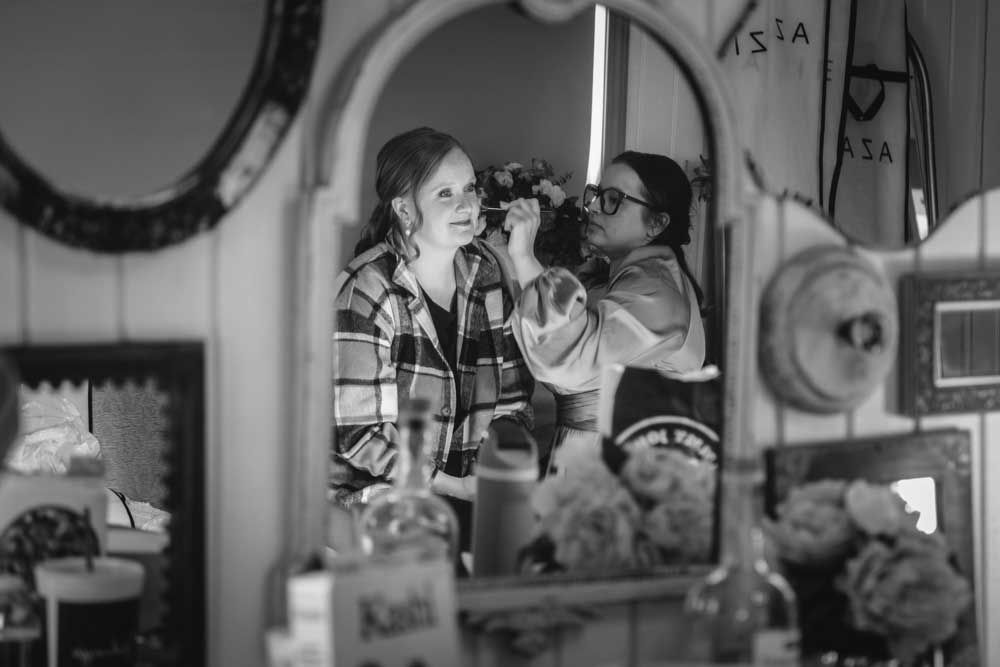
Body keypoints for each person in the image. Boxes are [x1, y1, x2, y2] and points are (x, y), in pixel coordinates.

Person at [331, 127, 535, 542]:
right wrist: (454, 486)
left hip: (465, 492)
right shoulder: (366, 289)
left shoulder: (487, 274)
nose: (467, 205)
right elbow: (361, 436)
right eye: (445, 193)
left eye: (470, 188)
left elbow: (512, 401)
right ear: (404, 211)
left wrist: (498, 469)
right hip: (375, 501)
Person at [503, 150, 706, 473]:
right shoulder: (629, 280)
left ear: (656, 224)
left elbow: (572, 357)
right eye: (597, 195)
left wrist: (524, 257)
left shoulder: (657, 292)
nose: (595, 207)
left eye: (613, 200)